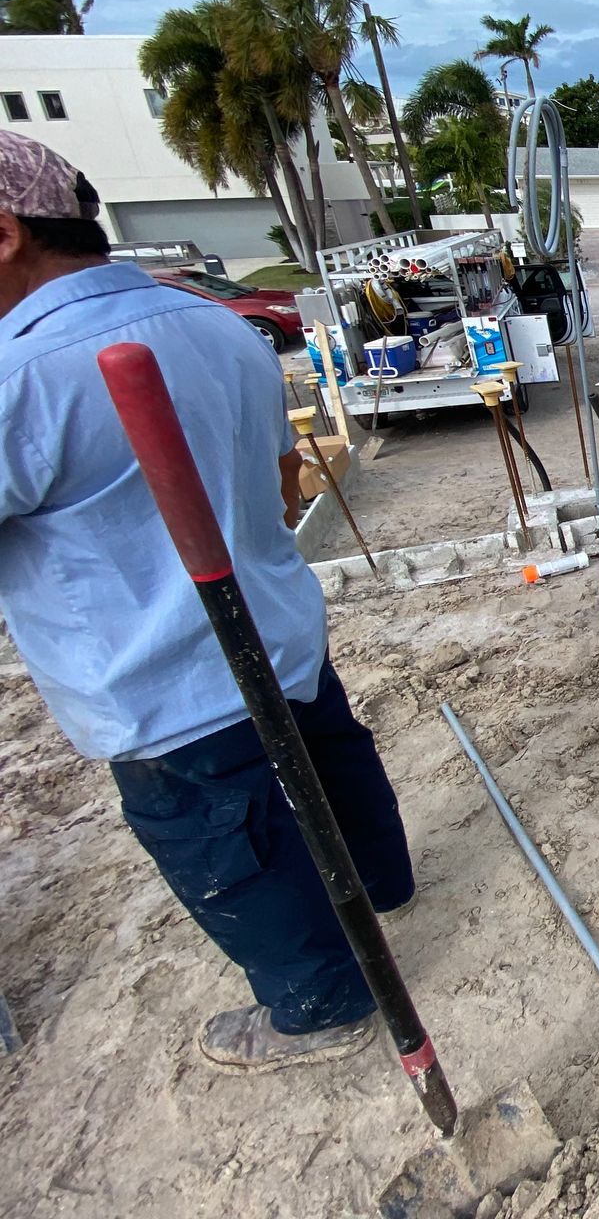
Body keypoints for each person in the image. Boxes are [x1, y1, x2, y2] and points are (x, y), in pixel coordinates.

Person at [0, 130, 413, 1073]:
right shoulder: (220, 327)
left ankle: (321, 1002)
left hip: (170, 690)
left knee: (234, 836)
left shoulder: (16, 378)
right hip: (282, 636)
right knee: (327, 772)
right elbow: (281, 486)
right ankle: (384, 891)